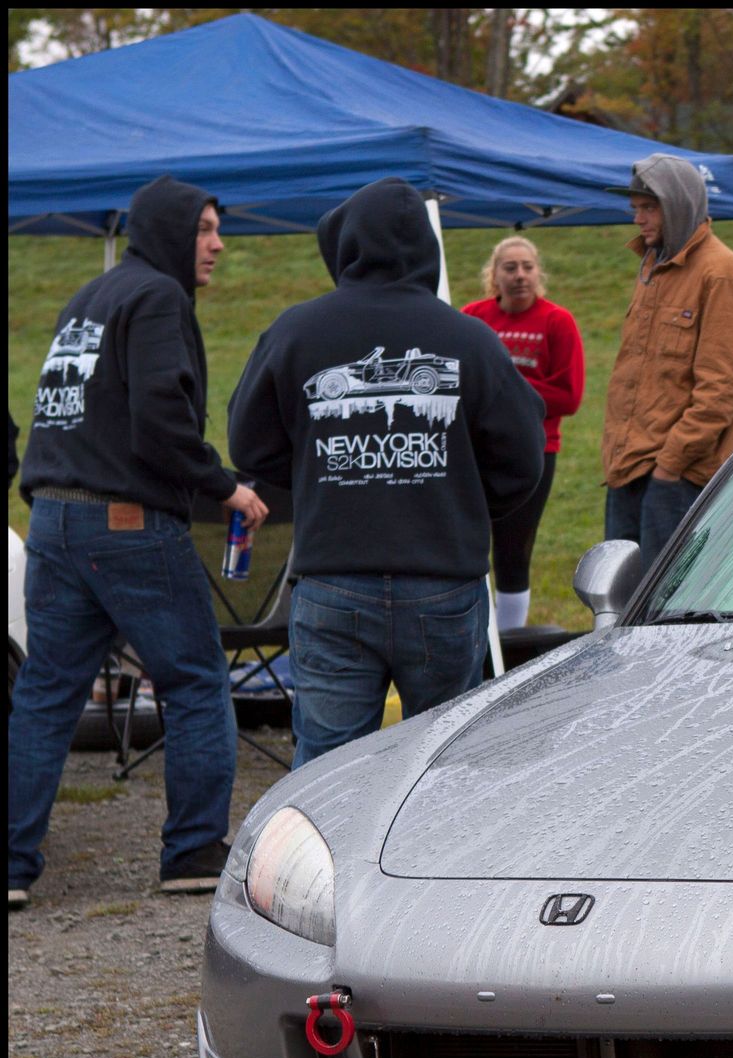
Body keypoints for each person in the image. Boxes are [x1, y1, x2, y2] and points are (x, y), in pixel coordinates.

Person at [9, 176, 269, 909]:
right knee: (195, 680)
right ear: (168, 231)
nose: (218, 245)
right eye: (205, 229)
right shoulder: (158, 297)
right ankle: (193, 850)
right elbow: (159, 419)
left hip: (54, 515)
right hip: (126, 521)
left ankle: (11, 862)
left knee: (45, 695)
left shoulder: (87, 299)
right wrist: (223, 485)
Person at [228, 178, 546, 769]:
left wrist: (323, 479)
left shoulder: (296, 331)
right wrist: (457, 499)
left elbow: (249, 443)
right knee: (443, 765)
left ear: (346, 244)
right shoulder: (470, 338)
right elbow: (523, 458)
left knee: (327, 771)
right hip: (443, 579)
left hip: (334, 577)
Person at [599, 153, 733, 570]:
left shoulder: (721, 271)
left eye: (648, 208)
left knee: (668, 602)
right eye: (635, 208)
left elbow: (722, 388)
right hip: (629, 469)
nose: (638, 219)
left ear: (678, 205)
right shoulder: (652, 264)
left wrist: (670, 466)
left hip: (678, 477)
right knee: (620, 594)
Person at [462, 236, 585, 630]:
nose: (519, 276)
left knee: (513, 550)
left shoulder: (557, 321)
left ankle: (509, 637)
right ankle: (473, 631)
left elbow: (568, 396)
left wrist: (503, 390)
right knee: (466, 544)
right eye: (510, 267)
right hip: (474, 452)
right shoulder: (473, 318)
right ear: (494, 275)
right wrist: (516, 391)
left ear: (538, 273)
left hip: (534, 451)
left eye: (527, 267)